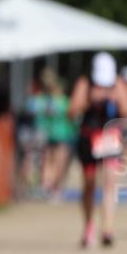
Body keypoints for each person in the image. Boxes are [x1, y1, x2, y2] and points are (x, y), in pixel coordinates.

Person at [69, 52, 127, 248]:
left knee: (110, 182)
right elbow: (71, 112)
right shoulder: (84, 84)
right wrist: (90, 100)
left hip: (109, 137)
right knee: (89, 184)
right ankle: (88, 226)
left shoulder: (118, 85)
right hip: (88, 138)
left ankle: (107, 228)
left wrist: (117, 101)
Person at [40, 68, 76, 202]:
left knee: (53, 162)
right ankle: (52, 187)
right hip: (57, 136)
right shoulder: (57, 102)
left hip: (61, 136)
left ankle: (53, 187)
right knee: (54, 163)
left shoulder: (58, 102)